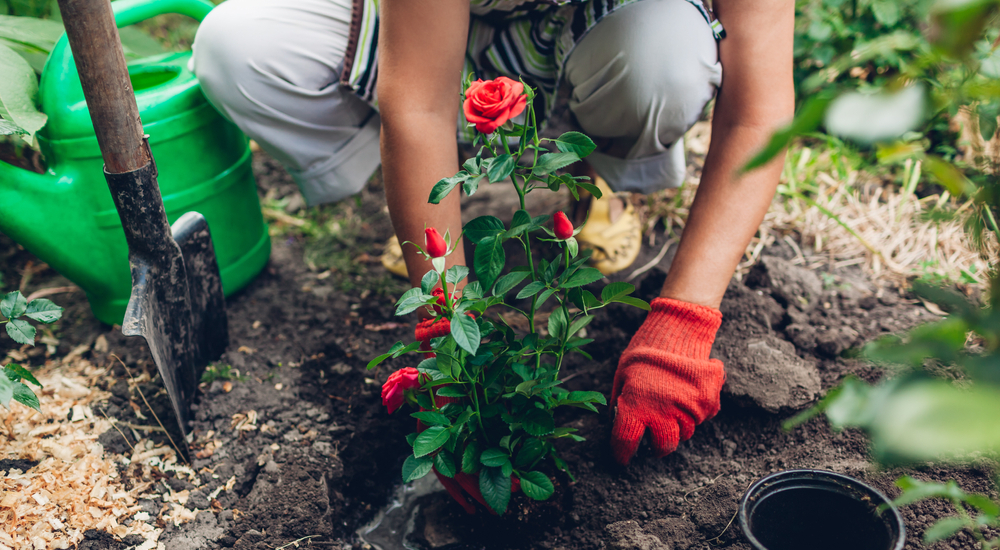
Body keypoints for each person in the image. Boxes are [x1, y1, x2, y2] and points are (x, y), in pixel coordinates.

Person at [192, 0, 794, 463]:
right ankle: (430, 205)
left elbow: (760, 112)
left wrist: (684, 320)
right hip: (428, 23)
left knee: (662, 61)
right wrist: (445, 332)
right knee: (237, 47)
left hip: (603, 31)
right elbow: (420, 103)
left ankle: (590, 184)